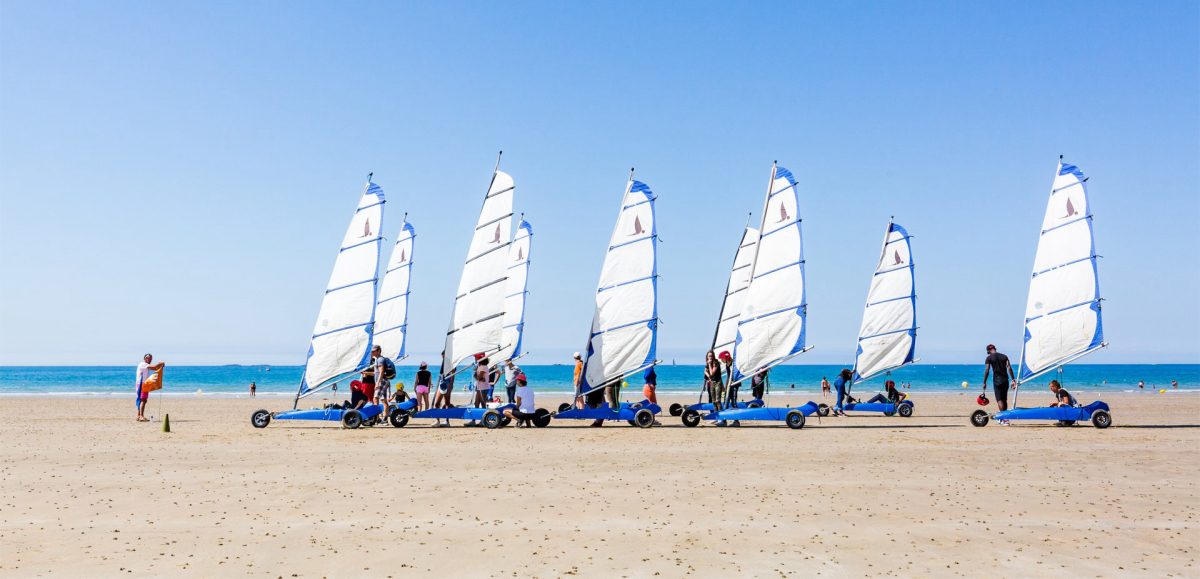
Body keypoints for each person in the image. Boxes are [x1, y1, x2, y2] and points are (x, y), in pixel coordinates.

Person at [983, 344, 1016, 424]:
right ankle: (1005, 418)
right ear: (995, 349)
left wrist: (984, 382)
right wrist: (1013, 380)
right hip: (1005, 380)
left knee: (999, 400)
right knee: (1004, 400)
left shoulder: (989, 358)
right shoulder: (1004, 356)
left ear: (988, 351)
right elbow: (1009, 367)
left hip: (997, 380)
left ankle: (1003, 419)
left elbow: (987, 370)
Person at [135, 354, 165, 422]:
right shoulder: (143, 364)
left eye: (151, 359)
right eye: (148, 358)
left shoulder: (146, 366)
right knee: (143, 400)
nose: (150, 360)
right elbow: (154, 366)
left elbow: (155, 368)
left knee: (143, 400)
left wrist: (161, 366)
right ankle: (141, 416)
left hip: (144, 384)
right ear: (145, 359)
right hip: (142, 384)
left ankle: (139, 416)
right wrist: (160, 363)